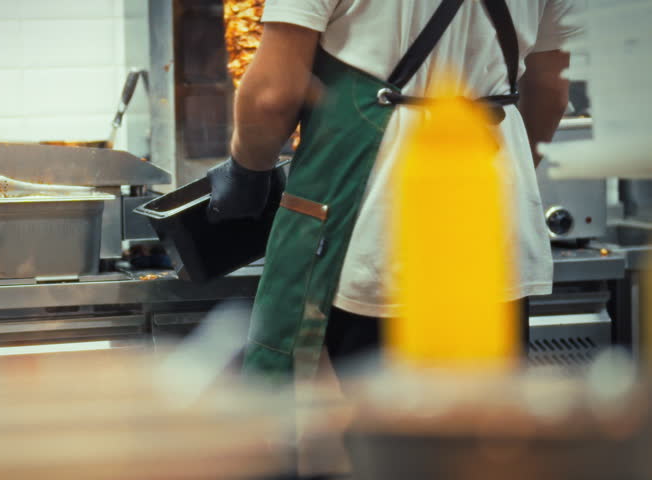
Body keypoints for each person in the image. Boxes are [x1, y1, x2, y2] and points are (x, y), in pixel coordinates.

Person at [207, 0, 582, 383]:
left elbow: (273, 95)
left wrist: (247, 170)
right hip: (496, 220)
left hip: (375, 222)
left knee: (374, 411)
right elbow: (550, 91)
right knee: (482, 410)